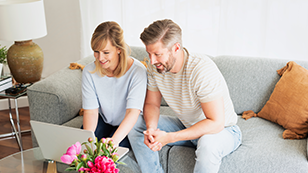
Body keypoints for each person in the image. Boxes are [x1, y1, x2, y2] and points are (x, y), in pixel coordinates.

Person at [128, 19, 242, 173]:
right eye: (149, 53)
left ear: (176, 48)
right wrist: (152, 130)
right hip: (187, 125)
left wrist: (170, 137)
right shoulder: (155, 68)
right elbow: (152, 105)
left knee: (208, 144)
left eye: (158, 54)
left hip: (222, 131)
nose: (152, 60)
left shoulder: (201, 70)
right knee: (135, 122)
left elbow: (216, 123)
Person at [81, 21, 147, 148]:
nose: (100, 58)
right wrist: (88, 143)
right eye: (96, 51)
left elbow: (132, 112)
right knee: (85, 148)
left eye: (106, 52)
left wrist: (114, 141)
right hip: (104, 121)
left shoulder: (137, 71)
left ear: (118, 49)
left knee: (108, 156)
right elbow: (91, 112)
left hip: (129, 124)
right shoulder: (89, 72)